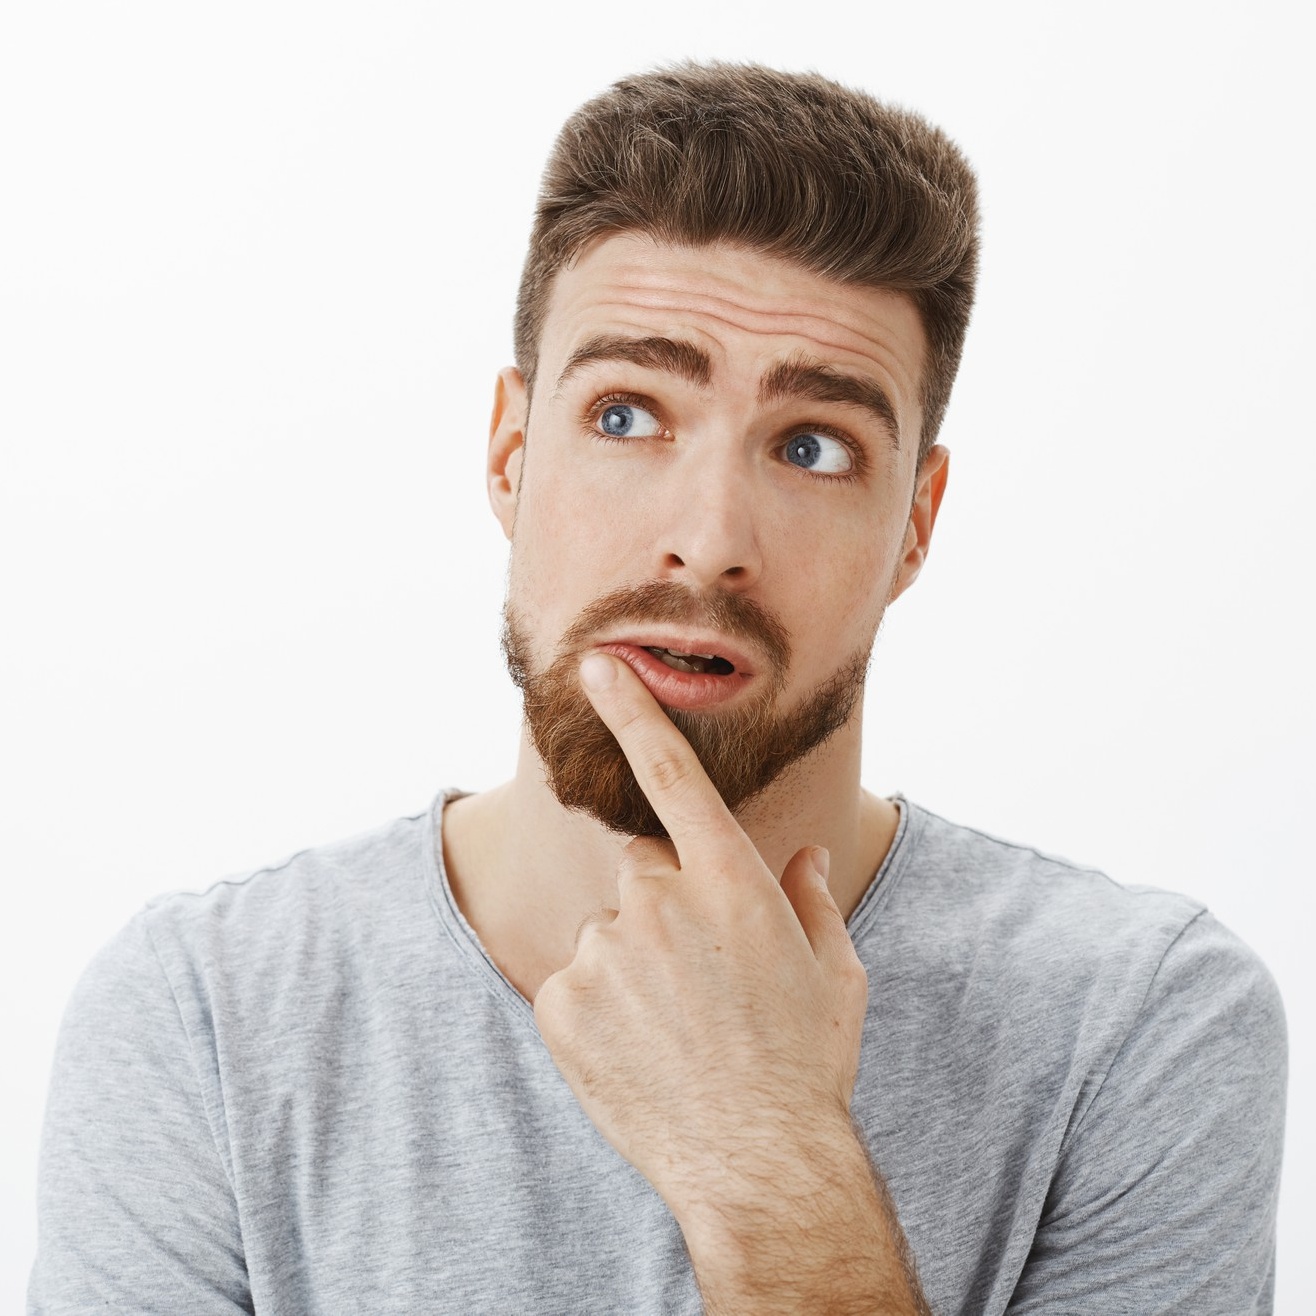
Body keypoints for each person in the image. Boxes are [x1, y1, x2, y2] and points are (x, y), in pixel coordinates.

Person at [29, 62, 1286, 1315]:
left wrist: (765, 1156)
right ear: (510, 453)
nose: (705, 538)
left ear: (915, 523)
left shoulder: (1136, 1022)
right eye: (627, 414)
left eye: (812, 447)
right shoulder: (202, 1015)